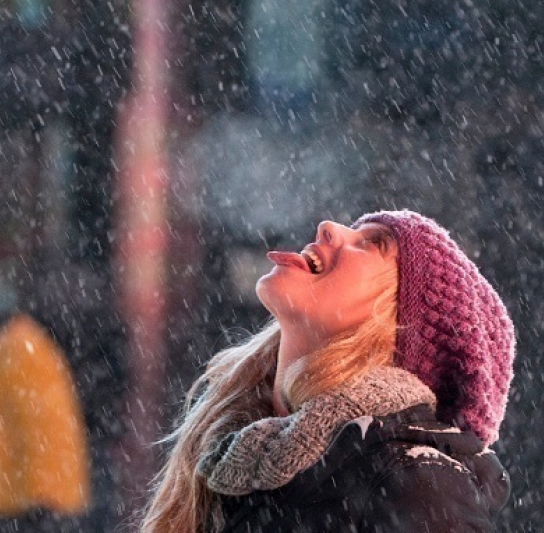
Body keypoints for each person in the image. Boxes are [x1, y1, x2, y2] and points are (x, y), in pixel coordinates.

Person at [141, 210, 515, 532]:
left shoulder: (419, 485)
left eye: (373, 244)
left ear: (397, 328)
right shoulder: (231, 458)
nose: (328, 227)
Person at [0, 290, 92, 532]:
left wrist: (43, 494)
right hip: (16, 494)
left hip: (28, 498)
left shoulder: (14, 351)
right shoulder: (0, 350)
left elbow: (41, 423)